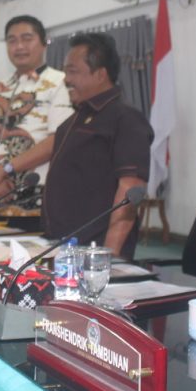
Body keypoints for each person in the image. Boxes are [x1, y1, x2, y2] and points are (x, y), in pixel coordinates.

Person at [42, 33, 153, 258]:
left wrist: (109, 256)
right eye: (65, 72)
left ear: (101, 74)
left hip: (95, 252)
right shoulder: (72, 121)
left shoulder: (126, 120)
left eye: (73, 71)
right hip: (59, 245)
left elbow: (130, 189)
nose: (66, 80)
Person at [0, 15, 72, 202]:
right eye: (12, 41)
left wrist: (4, 170)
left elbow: (58, 139)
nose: (19, 46)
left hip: (40, 190)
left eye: (27, 39)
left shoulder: (61, 82)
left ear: (44, 43)